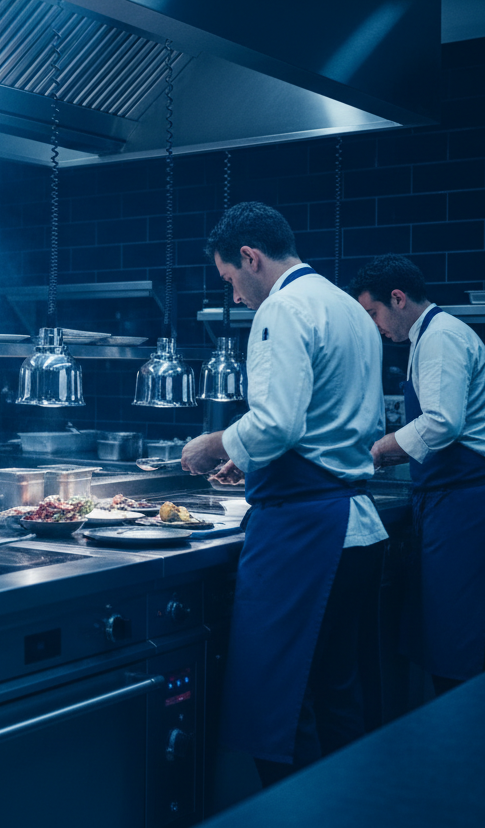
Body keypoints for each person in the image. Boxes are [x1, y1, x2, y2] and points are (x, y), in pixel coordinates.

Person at [180, 202, 388, 787]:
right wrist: (254, 464)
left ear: (251, 257)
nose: (237, 297)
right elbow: (330, 422)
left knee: (277, 701)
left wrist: (215, 443)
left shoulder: (282, 309)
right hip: (355, 527)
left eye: (230, 281)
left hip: (306, 534)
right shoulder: (347, 307)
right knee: (337, 694)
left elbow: (276, 424)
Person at [348, 254, 485, 696]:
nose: (375, 326)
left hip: (463, 504)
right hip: (447, 500)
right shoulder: (428, 338)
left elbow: (443, 422)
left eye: (373, 313)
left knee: (456, 640)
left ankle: (461, 749)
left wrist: (379, 452)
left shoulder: (441, 338)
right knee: (447, 634)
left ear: (398, 298)